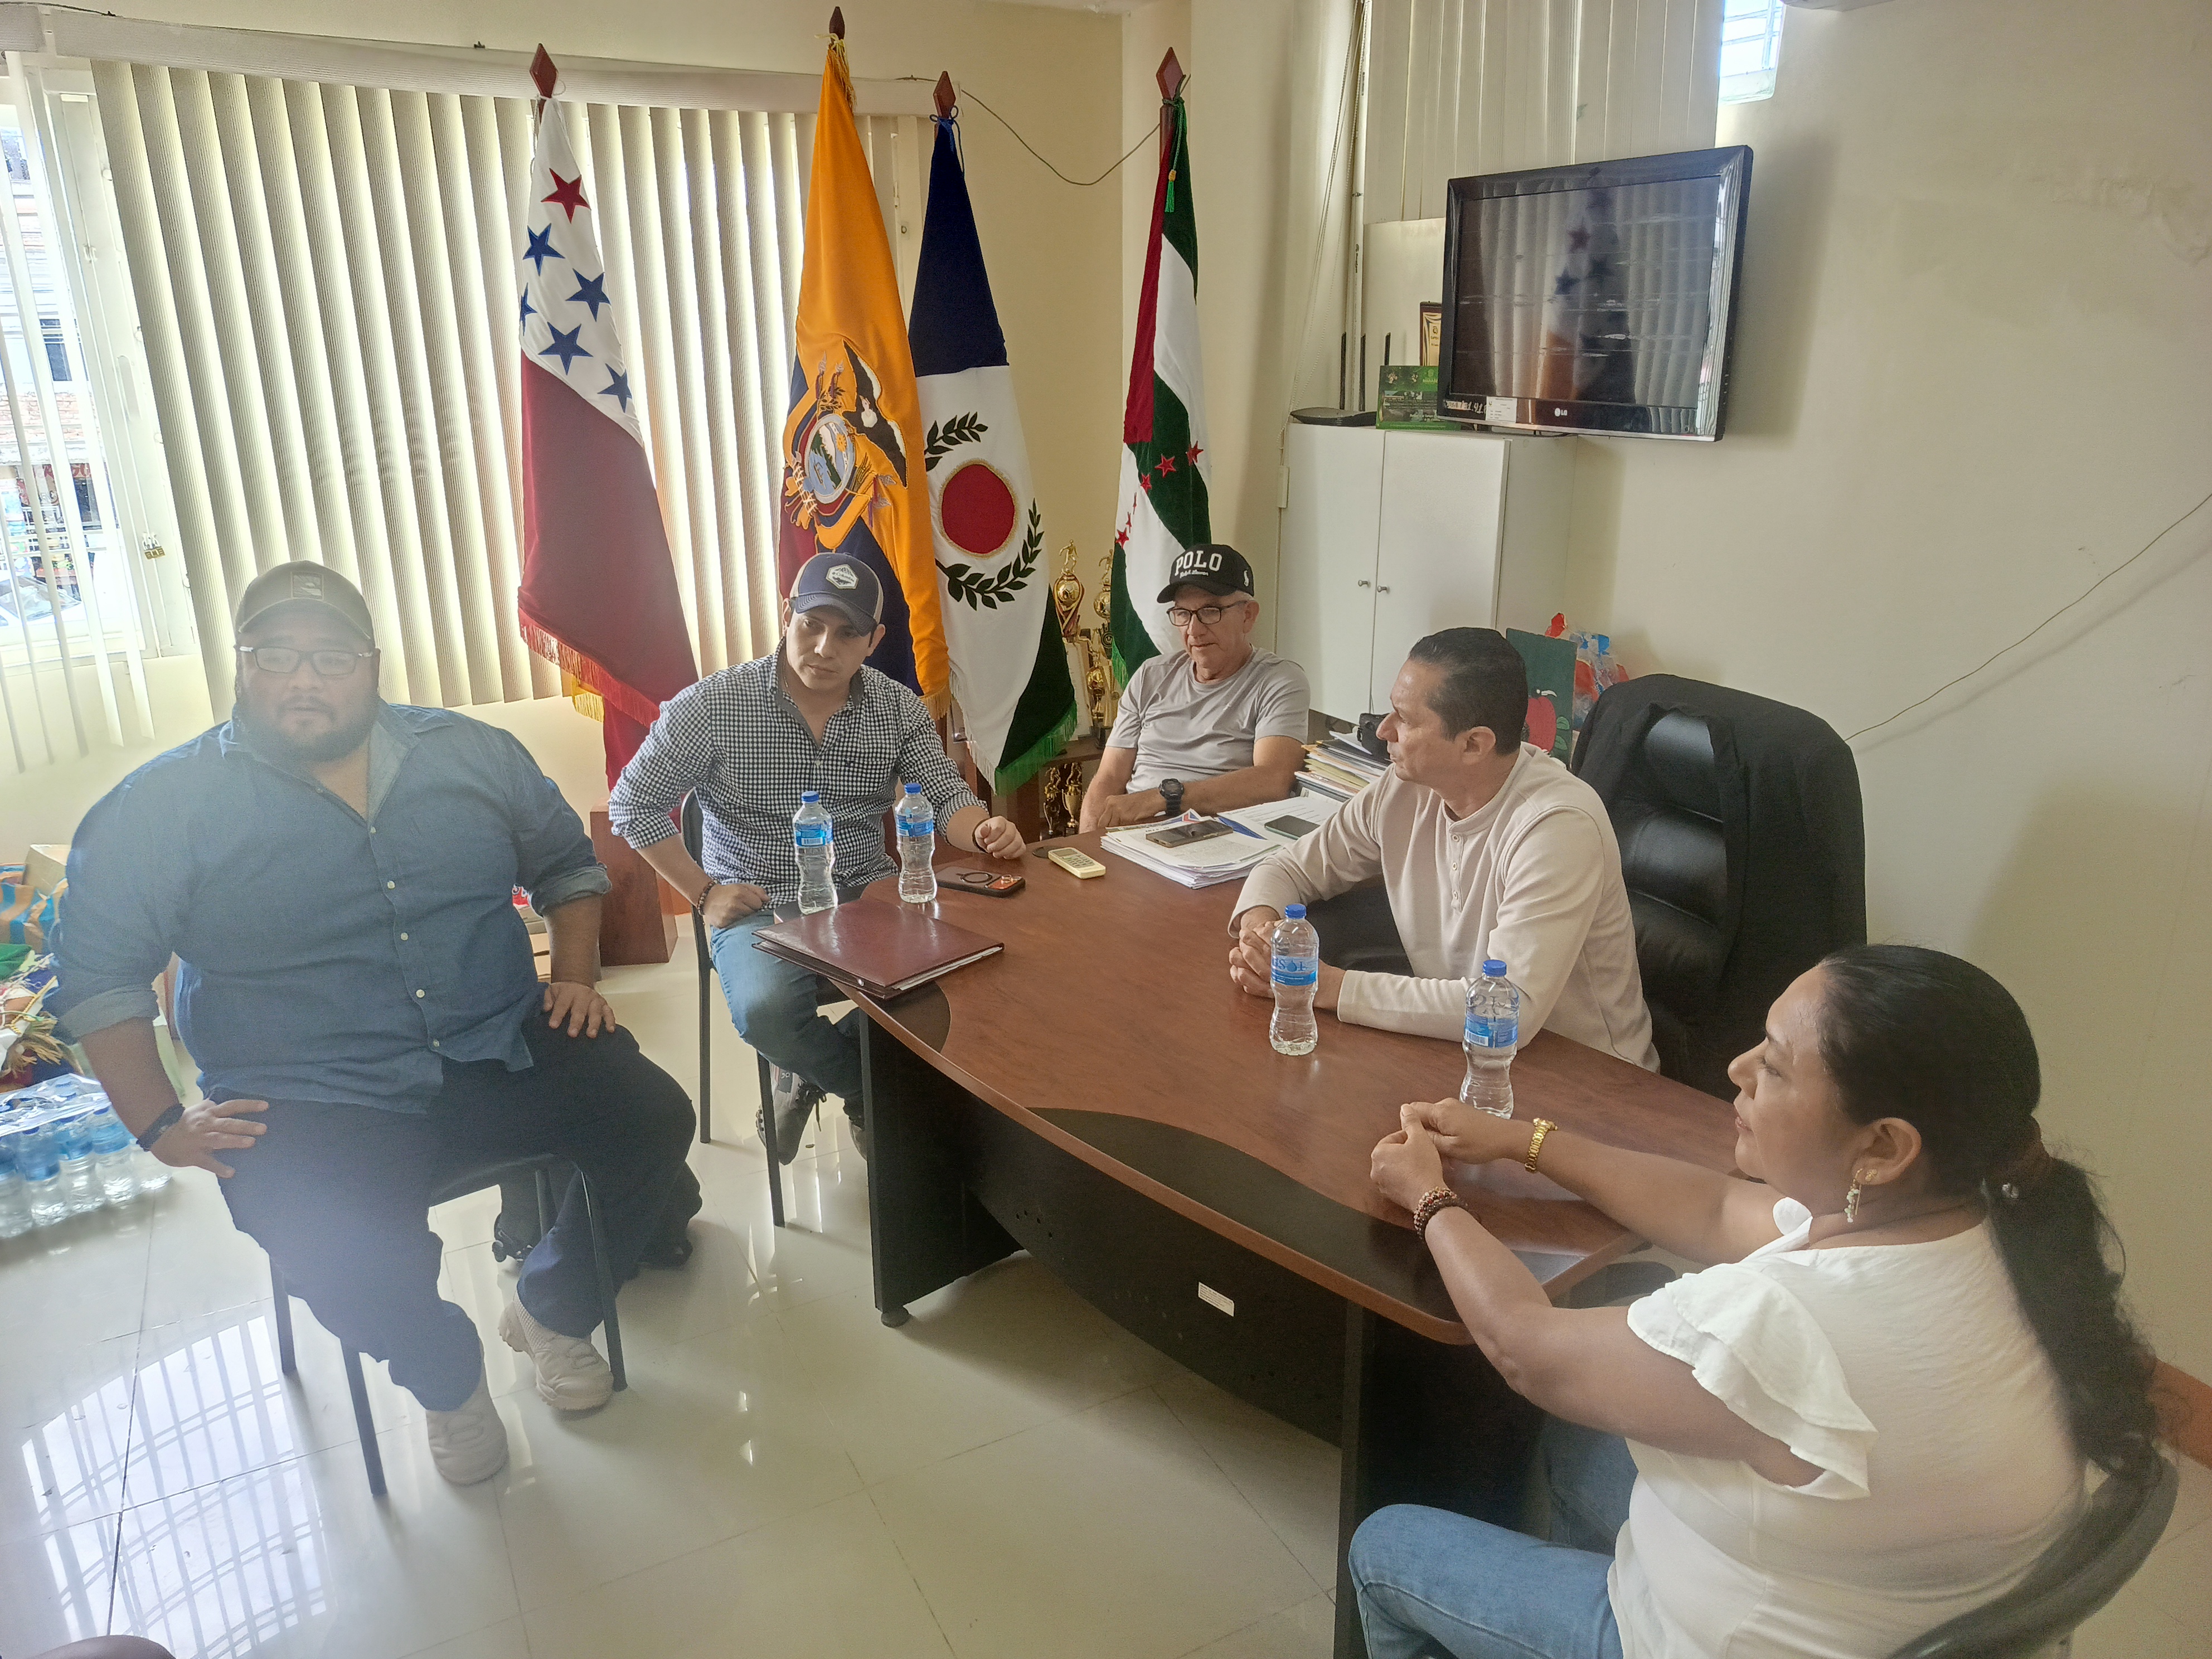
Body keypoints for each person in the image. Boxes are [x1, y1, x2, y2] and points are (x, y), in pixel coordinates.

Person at [52, 562, 696, 1487]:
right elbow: (99, 975)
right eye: (277, 655)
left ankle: (552, 1308)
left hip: (495, 1037)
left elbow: (565, 863)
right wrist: (157, 1122)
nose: (304, 680)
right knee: (318, 1233)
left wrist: (577, 978)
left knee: (652, 1119)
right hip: (306, 1085)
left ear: (373, 664)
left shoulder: (472, 755)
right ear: (241, 663)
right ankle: (446, 1377)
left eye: (332, 657)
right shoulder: (161, 807)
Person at [1352, 944, 2160, 1659]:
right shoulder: (1988, 1231)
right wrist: (1524, 1140)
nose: (1738, 1069)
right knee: (1583, 1438)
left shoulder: (1781, 1325)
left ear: (1883, 1147)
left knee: (1388, 1546)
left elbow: (1525, 1346)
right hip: (1876, 1595)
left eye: (1773, 1065)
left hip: (1737, 1637)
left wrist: (1430, 1199)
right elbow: (1715, 1210)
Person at [609, 552, 1025, 1162]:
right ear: (788, 615)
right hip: (758, 901)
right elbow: (632, 804)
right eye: (811, 625)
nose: (825, 648)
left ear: (874, 641)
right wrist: (703, 892)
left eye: (848, 633)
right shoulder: (713, 705)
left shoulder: (898, 708)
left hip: (870, 894)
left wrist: (984, 829)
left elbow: (945, 797)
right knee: (768, 1012)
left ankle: (809, 1071)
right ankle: (870, 1095)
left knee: (972, 973)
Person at [1228, 627, 1656, 1069]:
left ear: (1473, 744)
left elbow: (1509, 1009)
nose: (1383, 731)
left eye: (1406, 719)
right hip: (1459, 1050)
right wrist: (1262, 936)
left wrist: (1323, 985)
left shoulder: (1557, 826)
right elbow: (1289, 869)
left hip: (1588, 1076)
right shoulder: (1405, 788)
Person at [1079, 544, 1309, 831]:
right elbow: (1109, 778)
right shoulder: (1151, 676)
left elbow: (1273, 780)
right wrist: (1086, 845)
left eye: (1210, 612)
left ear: (1248, 615)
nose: (1194, 630)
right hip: (1130, 835)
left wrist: (1164, 798)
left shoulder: (1279, 680)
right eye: (1183, 614)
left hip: (1214, 838)